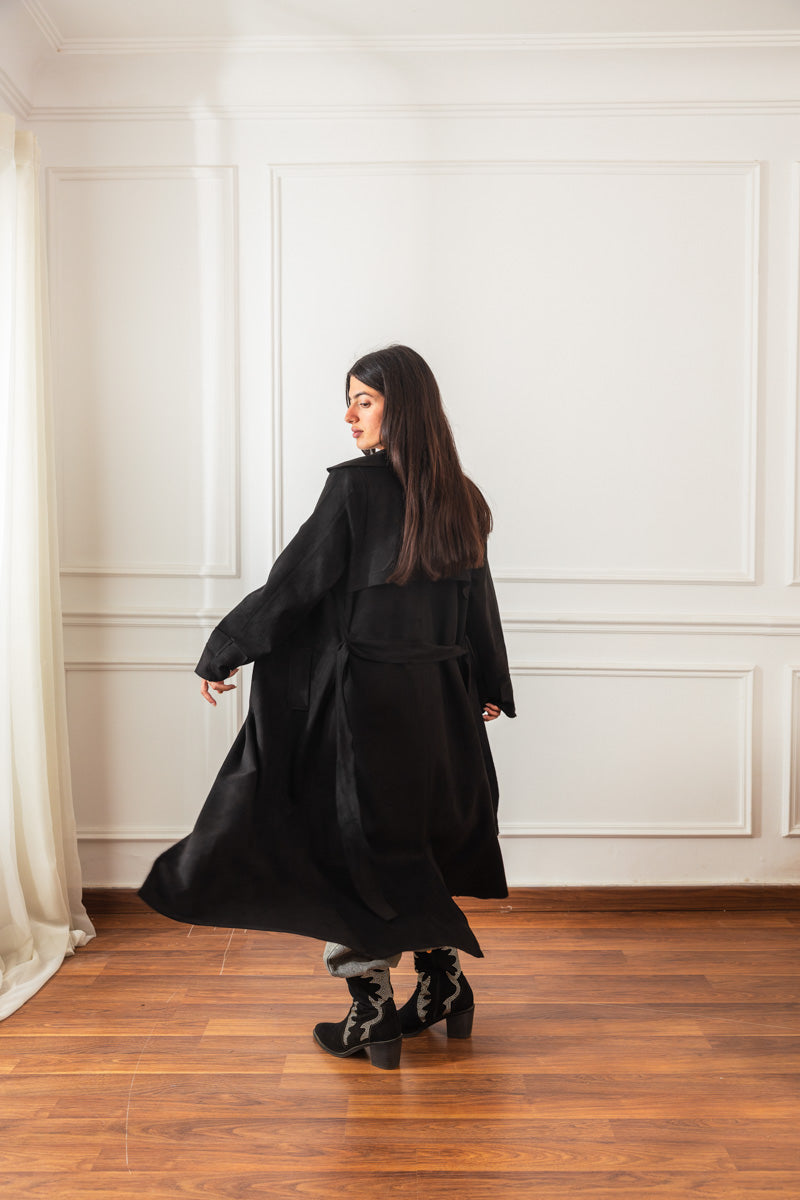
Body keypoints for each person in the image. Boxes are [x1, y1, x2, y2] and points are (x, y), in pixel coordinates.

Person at [138, 343, 516, 1071]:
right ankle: (442, 985)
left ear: (403, 406)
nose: (349, 416)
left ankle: (371, 1009)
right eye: (349, 401)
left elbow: (296, 582)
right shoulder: (463, 496)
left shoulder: (355, 489)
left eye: (363, 400)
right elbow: (478, 604)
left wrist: (227, 647)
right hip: (440, 704)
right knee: (419, 840)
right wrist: (490, 686)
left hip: (366, 706)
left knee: (348, 848)